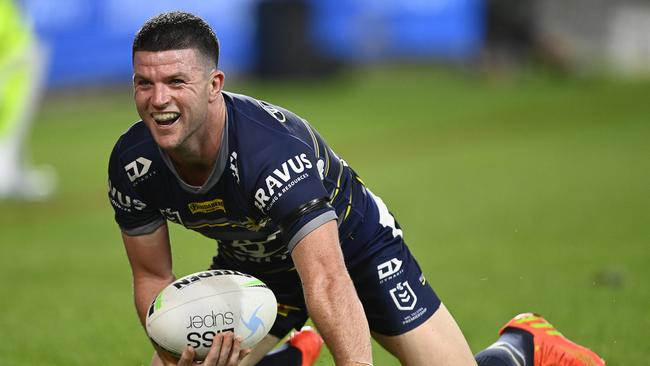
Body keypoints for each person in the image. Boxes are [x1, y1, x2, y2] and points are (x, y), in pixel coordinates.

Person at [108, 11, 605, 366]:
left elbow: (326, 279)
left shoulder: (269, 152)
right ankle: (291, 355)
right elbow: (152, 276)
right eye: (144, 84)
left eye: (176, 81)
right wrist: (177, 355)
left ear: (215, 84)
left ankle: (523, 344)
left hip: (353, 251)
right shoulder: (133, 163)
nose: (158, 100)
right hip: (254, 270)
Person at [0, 0, 55, 200]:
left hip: (17, 55)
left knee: (16, 116)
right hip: (12, 61)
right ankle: (6, 171)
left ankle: (14, 171)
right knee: (10, 114)